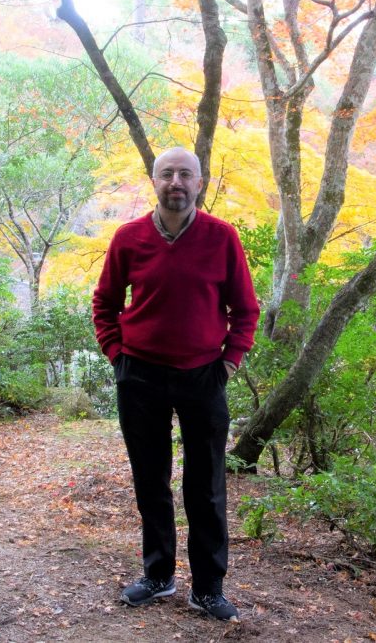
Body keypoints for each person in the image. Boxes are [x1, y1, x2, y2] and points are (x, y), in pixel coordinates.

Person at [92, 146, 260, 622]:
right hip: (139, 375)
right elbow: (104, 302)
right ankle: (159, 576)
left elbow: (245, 310)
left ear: (199, 182)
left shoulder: (221, 238)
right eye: (167, 173)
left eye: (185, 174)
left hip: (203, 374)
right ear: (154, 179)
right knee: (150, 480)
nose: (176, 182)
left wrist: (228, 363)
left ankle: (207, 589)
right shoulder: (128, 238)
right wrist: (115, 353)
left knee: (206, 486)